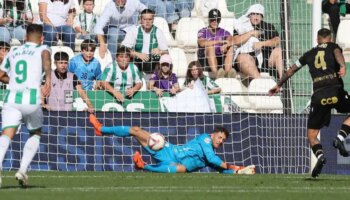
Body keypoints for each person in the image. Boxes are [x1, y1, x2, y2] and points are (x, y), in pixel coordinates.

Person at [269, 28, 350, 178]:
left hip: (319, 96)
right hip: (335, 91)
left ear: (317, 40)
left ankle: (320, 156)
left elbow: (291, 70)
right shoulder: (333, 47)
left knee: (312, 134)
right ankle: (339, 138)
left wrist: (279, 84)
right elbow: (338, 54)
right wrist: (343, 65)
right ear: (330, 39)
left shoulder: (309, 53)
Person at [89, 114, 256, 174]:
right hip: (167, 150)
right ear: (213, 135)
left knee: (183, 169)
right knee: (135, 130)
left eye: (223, 140)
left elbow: (219, 168)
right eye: (219, 137)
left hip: (175, 164)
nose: (221, 141)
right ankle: (101, 129)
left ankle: (143, 166)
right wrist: (234, 167)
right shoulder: (206, 139)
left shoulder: (209, 154)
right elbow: (214, 161)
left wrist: (239, 172)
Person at [0, 24, 51, 187]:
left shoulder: (13, 51)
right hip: (31, 98)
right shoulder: (43, 48)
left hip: (12, 99)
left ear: (25, 37)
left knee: (7, 134)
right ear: (41, 38)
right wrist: (48, 79)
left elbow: (0, 75)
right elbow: (46, 58)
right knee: (35, 133)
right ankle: (22, 170)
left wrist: (12, 81)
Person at [232, 4, 283, 80]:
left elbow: (277, 40)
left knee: (278, 51)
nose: (256, 17)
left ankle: (283, 81)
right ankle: (259, 83)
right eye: (253, 14)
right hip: (247, 58)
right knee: (242, 58)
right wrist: (251, 33)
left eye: (258, 14)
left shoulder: (268, 26)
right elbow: (236, 41)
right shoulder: (241, 26)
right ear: (249, 15)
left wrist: (262, 44)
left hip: (265, 61)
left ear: (262, 16)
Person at [121, 9, 168, 74]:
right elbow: (123, 50)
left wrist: (160, 51)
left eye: (150, 19)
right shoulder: (134, 31)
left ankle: (156, 81)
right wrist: (138, 54)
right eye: (145, 19)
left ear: (153, 20)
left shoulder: (158, 32)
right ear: (140, 19)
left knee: (165, 59)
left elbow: (166, 52)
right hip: (137, 60)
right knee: (127, 59)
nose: (147, 22)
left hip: (153, 61)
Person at [197, 9, 235, 79]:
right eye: (212, 19)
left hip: (220, 59)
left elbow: (230, 39)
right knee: (210, 47)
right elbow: (202, 43)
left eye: (217, 20)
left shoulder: (224, 31)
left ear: (219, 20)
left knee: (231, 47)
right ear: (208, 20)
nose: (214, 21)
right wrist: (218, 41)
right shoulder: (203, 31)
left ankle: (228, 73)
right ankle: (216, 74)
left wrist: (227, 44)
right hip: (205, 61)